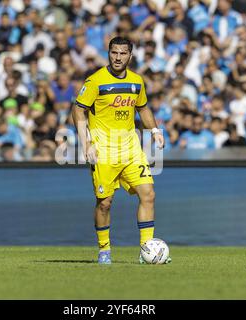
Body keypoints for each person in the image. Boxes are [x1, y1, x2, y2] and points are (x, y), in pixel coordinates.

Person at [72, 37, 169, 265]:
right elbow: (78, 111)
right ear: (108, 53)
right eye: (114, 53)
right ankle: (104, 249)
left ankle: (146, 250)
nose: (117, 57)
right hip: (103, 150)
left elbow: (143, 108)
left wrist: (154, 130)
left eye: (122, 53)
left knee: (149, 195)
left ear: (130, 56)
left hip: (131, 149)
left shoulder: (137, 81)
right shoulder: (95, 81)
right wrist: (86, 144)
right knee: (104, 202)